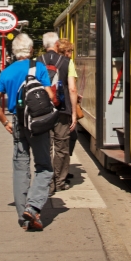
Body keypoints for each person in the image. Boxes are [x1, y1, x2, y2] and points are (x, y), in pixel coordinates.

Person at [0, 33, 56, 231]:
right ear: (31, 50)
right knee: (44, 167)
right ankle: (33, 207)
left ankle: (24, 217)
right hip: (38, 123)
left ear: (14, 52)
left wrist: (5, 123)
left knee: (20, 167)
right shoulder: (39, 68)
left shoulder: (7, 72)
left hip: (18, 122)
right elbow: (50, 95)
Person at [39, 33, 79, 193]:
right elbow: (72, 88)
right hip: (62, 110)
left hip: (42, 111)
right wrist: (74, 113)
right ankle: (60, 181)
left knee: (46, 147)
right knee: (62, 146)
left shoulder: (37, 62)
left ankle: (48, 184)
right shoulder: (67, 62)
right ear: (56, 44)